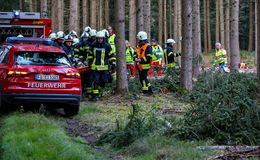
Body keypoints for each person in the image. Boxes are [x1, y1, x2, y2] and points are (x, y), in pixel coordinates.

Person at [88, 31, 116, 101]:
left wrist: (113, 64)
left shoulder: (107, 46)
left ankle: (99, 92)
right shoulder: (93, 45)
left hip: (104, 68)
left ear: (103, 39)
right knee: (95, 81)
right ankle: (95, 95)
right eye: (98, 38)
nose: (100, 40)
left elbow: (111, 55)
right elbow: (90, 55)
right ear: (96, 38)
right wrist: (90, 62)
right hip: (95, 67)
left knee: (103, 81)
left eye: (101, 38)